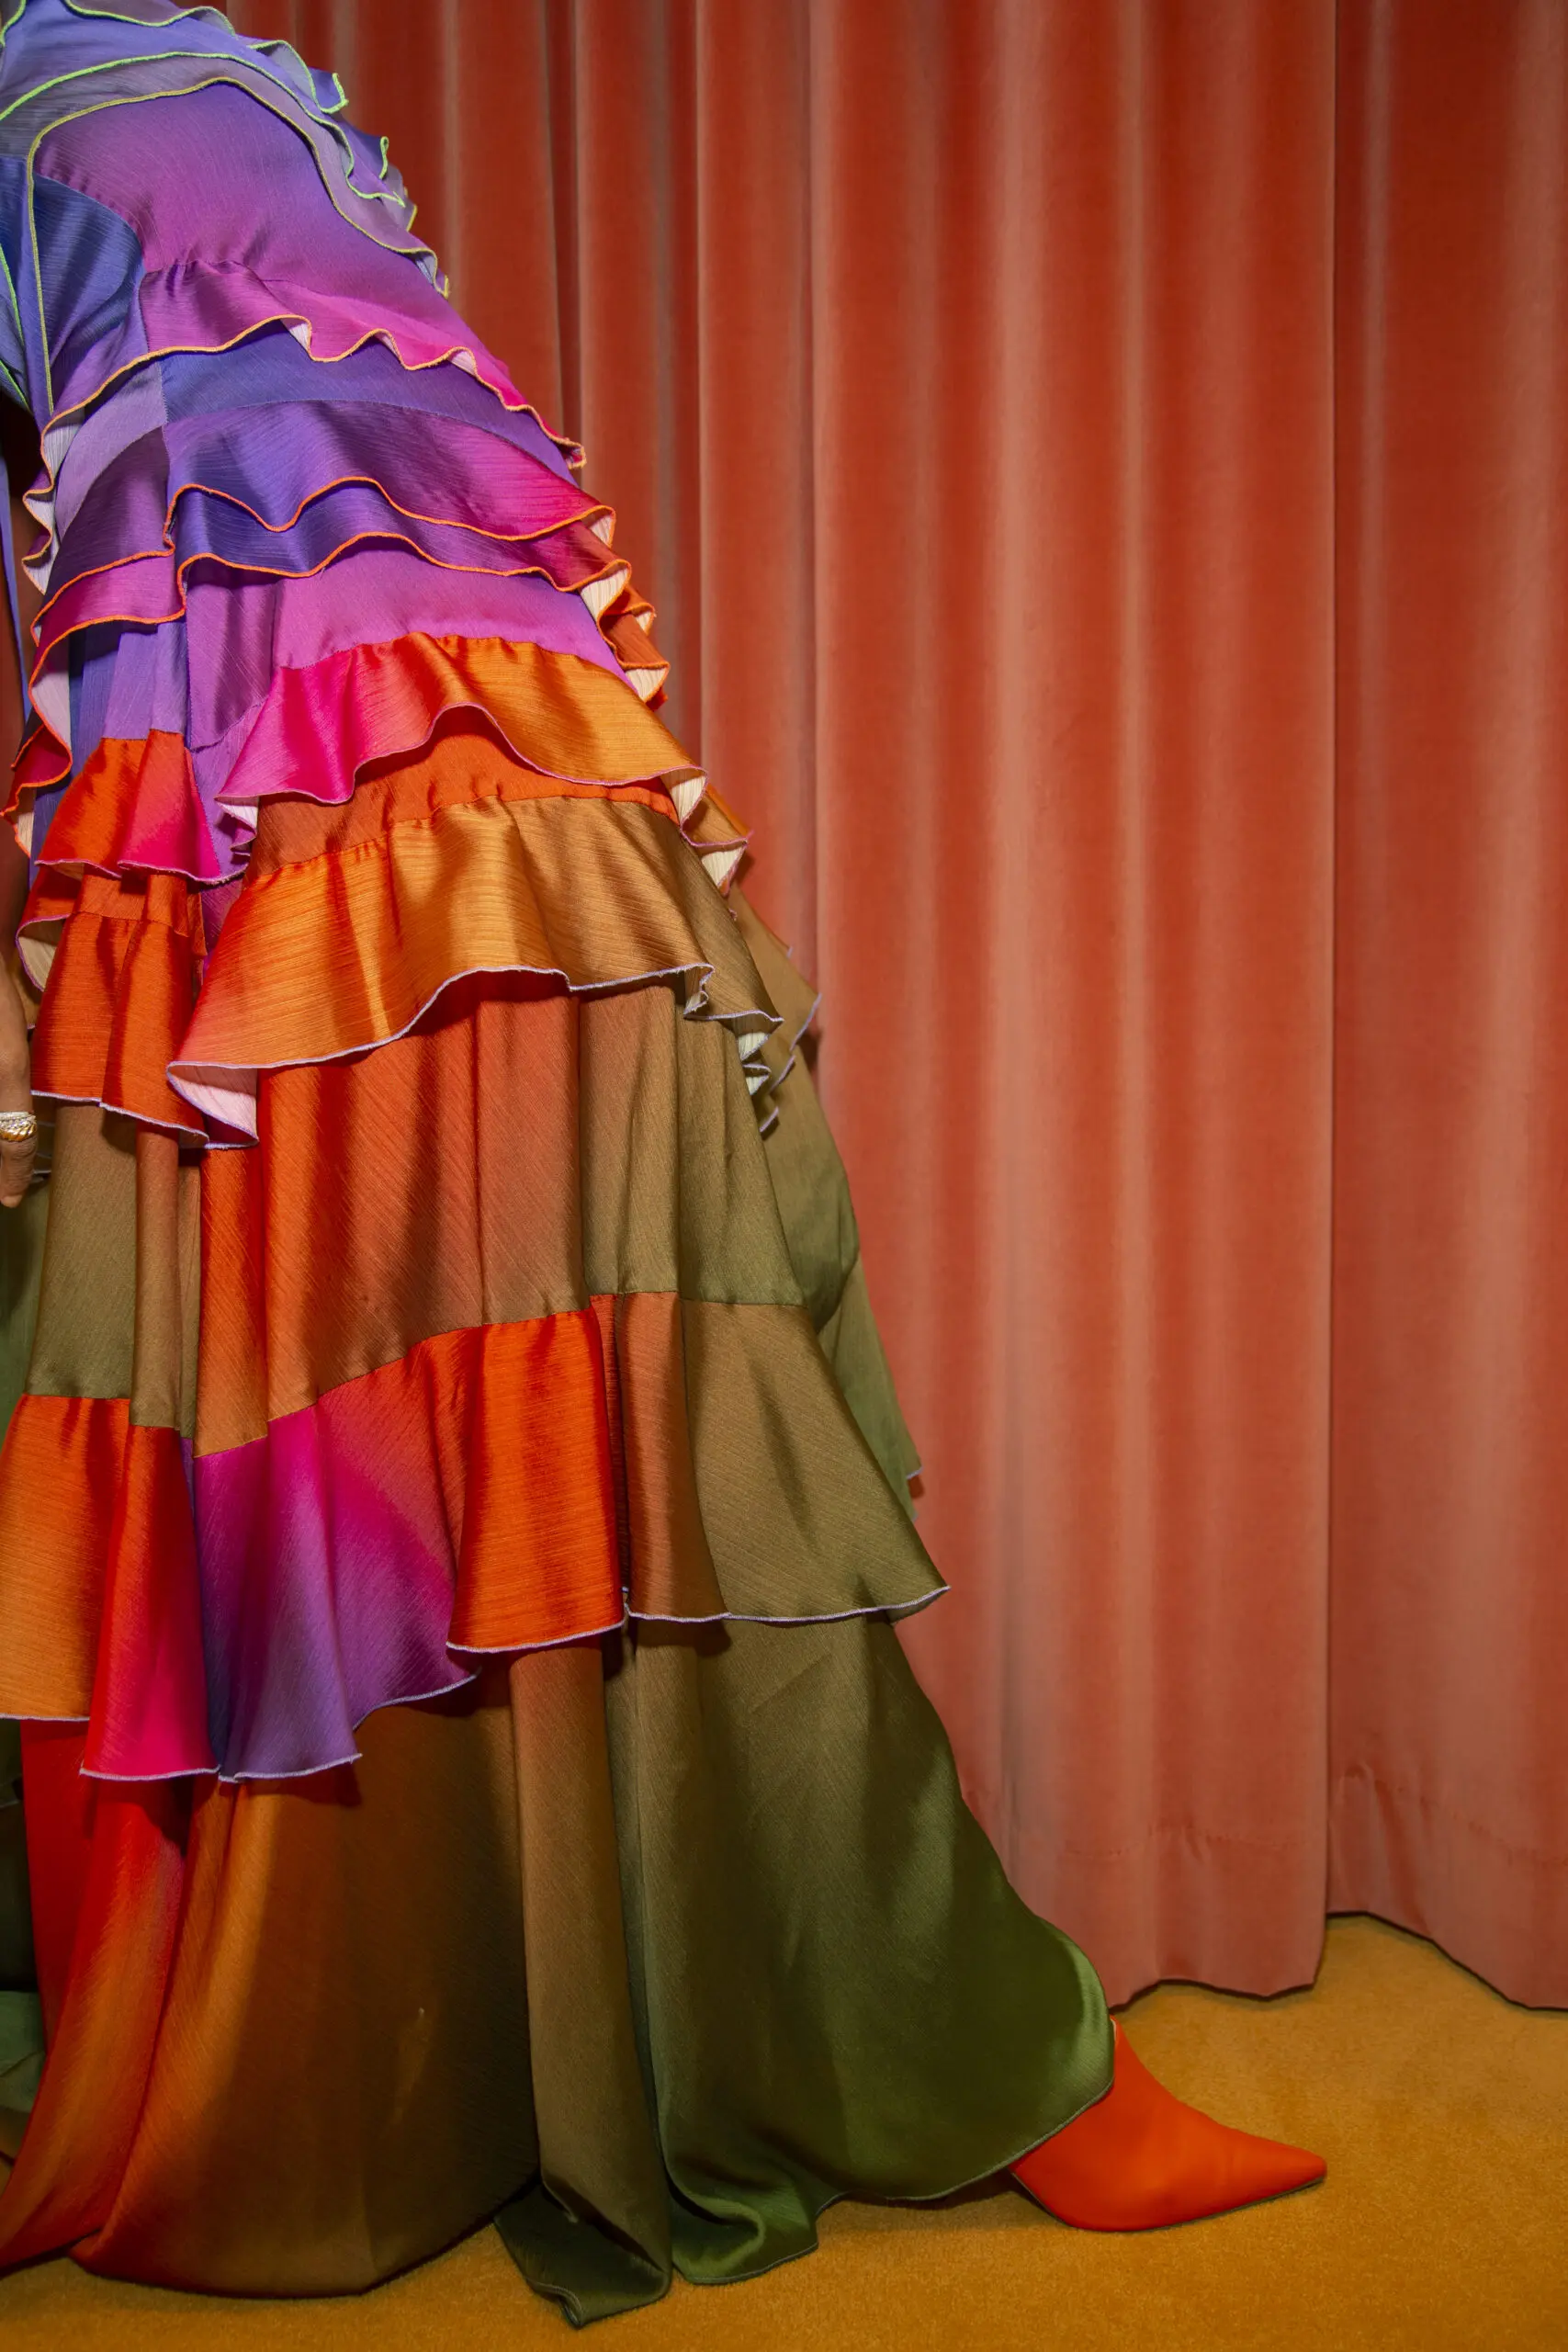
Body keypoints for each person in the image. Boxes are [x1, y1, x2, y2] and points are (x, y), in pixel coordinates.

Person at [0, 0, 1322, 2324]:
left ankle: (846, 2034)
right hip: (277, 854)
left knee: (615, 1425)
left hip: (482, 815)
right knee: (370, 1459)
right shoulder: (86, 103)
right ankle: (404, 2054)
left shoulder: (230, 76)